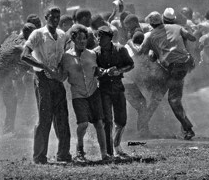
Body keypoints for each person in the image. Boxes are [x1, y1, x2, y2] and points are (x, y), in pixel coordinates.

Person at [127, 11, 196, 140]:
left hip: (172, 70)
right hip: (181, 66)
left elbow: (139, 52)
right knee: (163, 98)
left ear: (151, 24)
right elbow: (192, 37)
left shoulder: (150, 35)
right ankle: (144, 128)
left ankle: (187, 129)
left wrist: (130, 42)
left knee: (169, 100)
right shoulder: (176, 27)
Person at [21, 6, 72, 164]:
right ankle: (39, 156)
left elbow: (65, 57)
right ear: (46, 17)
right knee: (45, 118)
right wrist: (43, 66)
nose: (55, 20)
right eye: (52, 17)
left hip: (57, 78)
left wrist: (63, 73)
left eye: (58, 17)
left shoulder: (63, 35)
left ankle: (63, 154)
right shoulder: (38, 34)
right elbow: (24, 55)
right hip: (42, 78)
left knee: (62, 117)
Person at [58, 24, 111, 162]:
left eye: (85, 39)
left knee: (99, 123)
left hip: (93, 92)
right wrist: (51, 74)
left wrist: (103, 72)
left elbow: (97, 71)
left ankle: (104, 154)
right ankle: (80, 150)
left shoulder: (92, 54)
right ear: (73, 39)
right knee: (83, 124)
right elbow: (63, 76)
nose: (82, 41)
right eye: (79, 39)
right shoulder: (66, 57)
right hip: (78, 94)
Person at [94, 26, 134, 157]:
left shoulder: (120, 49)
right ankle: (109, 152)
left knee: (121, 120)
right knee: (107, 121)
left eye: (102, 37)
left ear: (109, 38)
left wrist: (118, 70)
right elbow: (91, 69)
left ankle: (116, 144)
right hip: (103, 88)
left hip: (117, 87)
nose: (99, 39)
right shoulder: (94, 53)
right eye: (98, 36)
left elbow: (130, 64)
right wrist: (100, 71)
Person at [0, 23, 36, 134]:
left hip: (2, 73)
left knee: (10, 101)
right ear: (28, 32)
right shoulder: (19, 45)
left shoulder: (12, 37)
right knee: (10, 101)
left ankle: (7, 129)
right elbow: (28, 59)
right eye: (33, 35)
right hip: (0, 73)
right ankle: (7, 129)